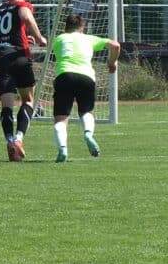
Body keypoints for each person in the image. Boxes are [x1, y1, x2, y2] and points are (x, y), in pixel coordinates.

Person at [0, 0, 48, 162]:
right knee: (28, 100)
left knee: (6, 105)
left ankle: (9, 140)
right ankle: (19, 139)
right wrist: (39, 38)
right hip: (18, 56)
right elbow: (26, 16)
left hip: (0, 56)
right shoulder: (21, 5)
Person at [50, 13, 120, 163]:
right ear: (82, 27)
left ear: (65, 26)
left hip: (64, 75)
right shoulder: (89, 38)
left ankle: (63, 148)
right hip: (86, 77)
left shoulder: (58, 39)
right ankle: (88, 134)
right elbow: (116, 46)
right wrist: (111, 63)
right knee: (86, 111)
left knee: (61, 118)